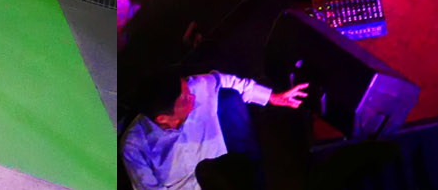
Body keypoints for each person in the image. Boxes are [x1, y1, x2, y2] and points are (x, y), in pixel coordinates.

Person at [121, 71, 307, 190]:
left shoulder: (198, 87)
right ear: (162, 118)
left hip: (231, 177)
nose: (192, 95)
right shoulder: (134, 145)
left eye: (187, 88)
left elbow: (232, 83)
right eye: (185, 98)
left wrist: (273, 97)